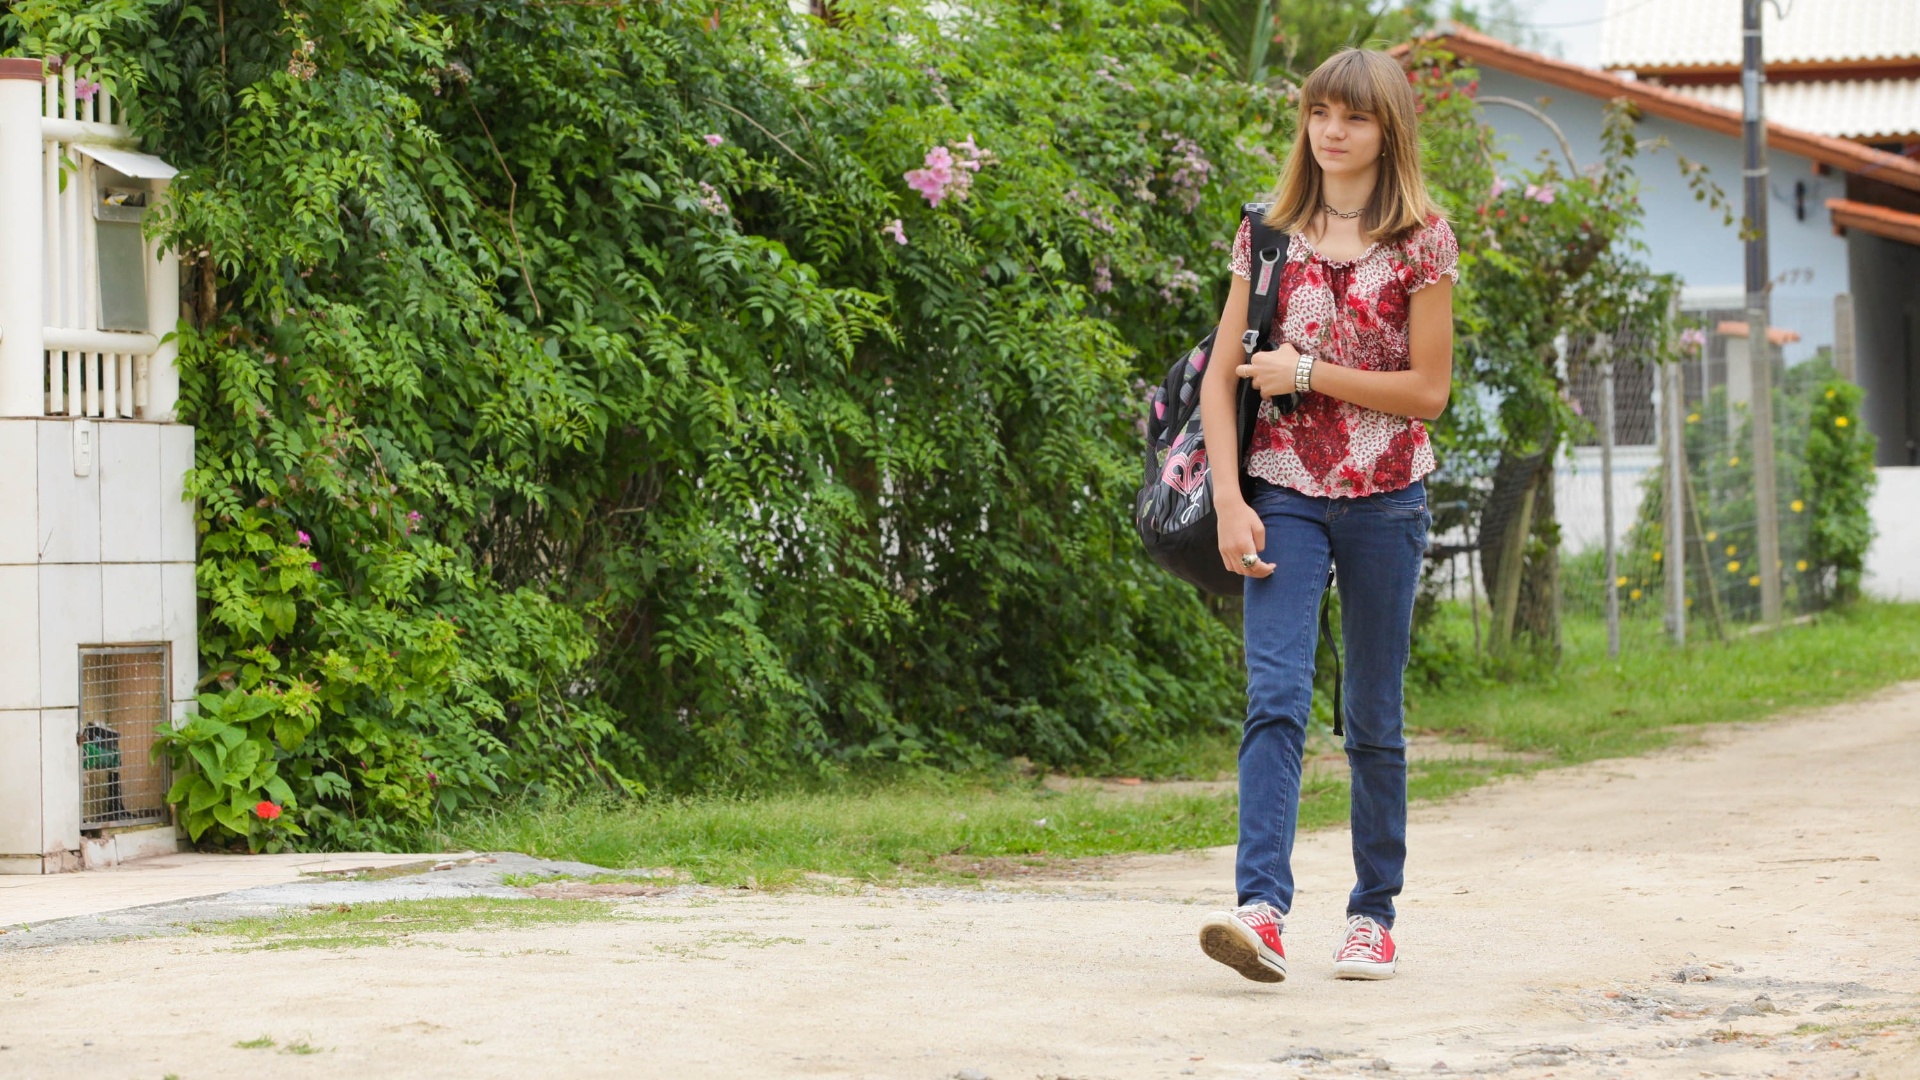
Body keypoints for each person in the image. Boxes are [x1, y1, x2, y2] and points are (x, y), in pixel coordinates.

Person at [1194, 46, 1457, 984]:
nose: (1332, 131)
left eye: (1353, 116)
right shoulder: (1266, 234)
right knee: (1274, 697)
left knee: (1372, 714)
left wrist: (1306, 372)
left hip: (1388, 496)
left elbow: (1427, 391)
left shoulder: (1423, 238)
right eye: (1318, 114)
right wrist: (1228, 498)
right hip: (1281, 495)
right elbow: (1220, 380)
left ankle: (1372, 917)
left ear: (1388, 129)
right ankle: (1260, 911)